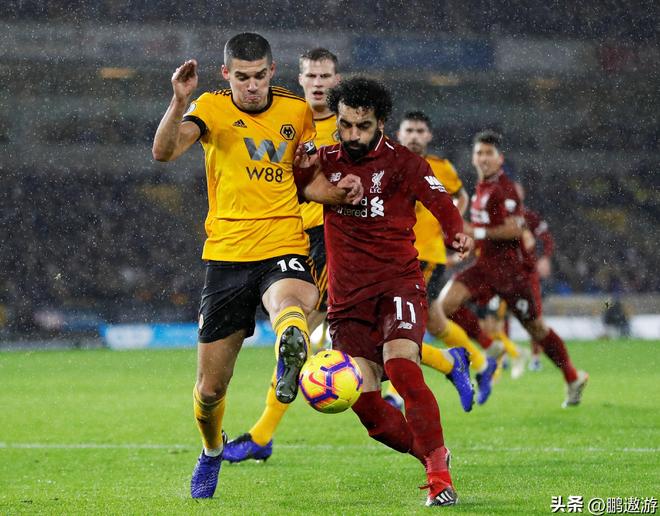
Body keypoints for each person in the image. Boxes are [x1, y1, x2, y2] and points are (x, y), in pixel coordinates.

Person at [152, 33, 363, 499]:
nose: (251, 86)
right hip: (227, 255)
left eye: (259, 77)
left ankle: (291, 344)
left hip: (283, 240)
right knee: (210, 390)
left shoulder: (296, 112)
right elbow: (164, 152)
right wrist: (179, 100)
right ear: (227, 74)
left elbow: (308, 183)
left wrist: (339, 191)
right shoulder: (210, 107)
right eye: (242, 77)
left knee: (292, 299)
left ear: (272, 72)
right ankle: (212, 450)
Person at [297, 77, 473, 506]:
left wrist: (455, 231)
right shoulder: (325, 160)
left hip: (398, 285)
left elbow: (441, 200)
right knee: (369, 411)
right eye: (345, 125)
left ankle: (439, 478)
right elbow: (300, 186)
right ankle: (430, 456)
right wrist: (303, 168)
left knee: (403, 368)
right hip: (347, 301)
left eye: (363, 126)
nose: (353, 135)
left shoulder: (403, 162)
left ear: (381, 123)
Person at [222, 47, 342, 465]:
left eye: (325, 76)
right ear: (300, 78)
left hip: (330, 239)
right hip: (288, 237)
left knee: (303, 333)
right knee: (301, 334)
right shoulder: (287, 118)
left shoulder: (348, 126)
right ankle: (445, 362)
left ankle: (262, 434)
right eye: (311, 76)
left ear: (336, 80)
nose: (318, 83)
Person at [439, 130, 589, 408]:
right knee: (445, 305)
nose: (484, 158)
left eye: (489, 153)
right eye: (479, 153)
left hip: (512, 273)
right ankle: (491, 345)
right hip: (485, 268)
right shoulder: (481, 189)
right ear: (473, 158)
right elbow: (484, 232)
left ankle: (572, 377)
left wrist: (475, 232)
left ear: (500, 159)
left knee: (536, 329)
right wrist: (464, 250)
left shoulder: (504, 188)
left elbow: (514, 229)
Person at [382, 111, 494, 409]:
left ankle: (395, 393)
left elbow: (461, 196)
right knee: (435, 322)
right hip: (394, 255)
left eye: (420, 131)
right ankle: (483, 363)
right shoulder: (387, 164)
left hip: (426, 257)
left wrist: (450, 226)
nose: (415, 136)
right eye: (409, 130)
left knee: (405, 321)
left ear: (429, 136)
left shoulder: (440, 168)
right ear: (399, 134)